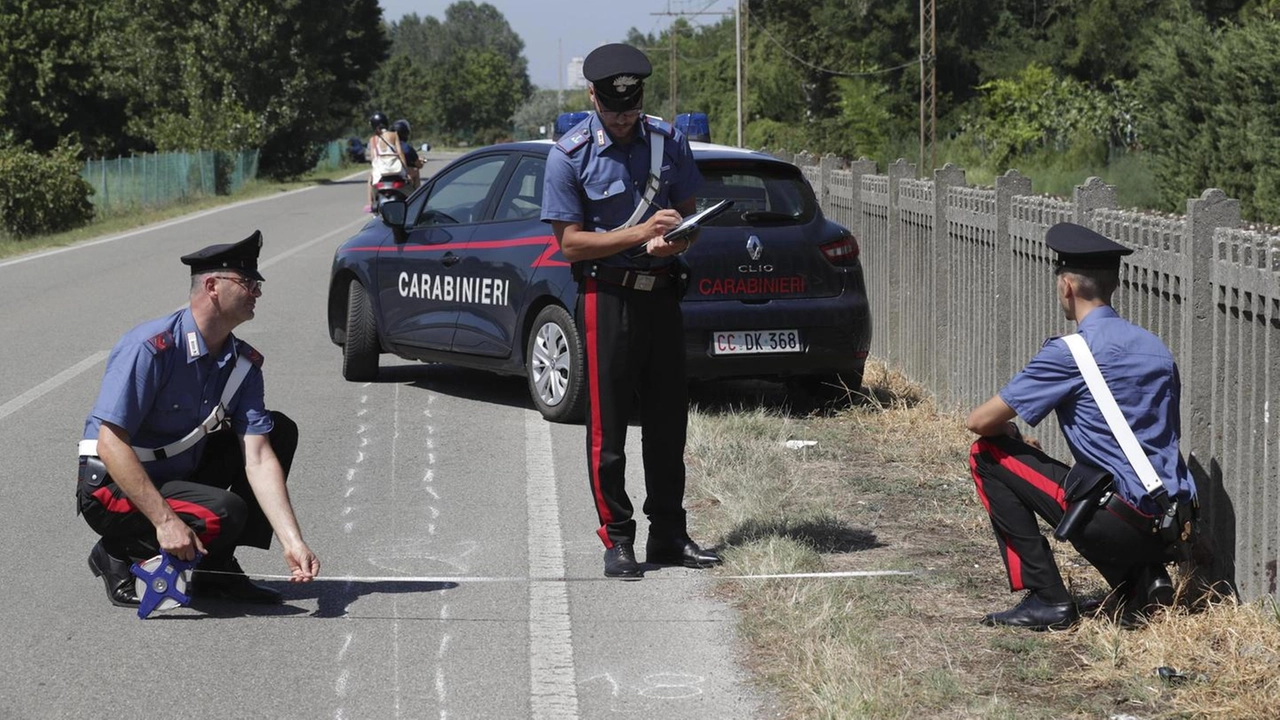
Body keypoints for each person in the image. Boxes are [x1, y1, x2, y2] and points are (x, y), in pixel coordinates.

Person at [540, 43, 720, 579]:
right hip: (606, 297)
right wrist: (639, 233)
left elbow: (689, 218)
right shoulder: (568, 155)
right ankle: (617, 538)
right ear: (592, 96)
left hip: (662, 294)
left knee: (668, 423)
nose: (623, 117)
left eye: (631, 106)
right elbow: (570, 245)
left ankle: (668, 532)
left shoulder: (669, 141)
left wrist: (676, 244)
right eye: (613, 107)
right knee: (609, 426)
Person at [965, 222, 1198, 630]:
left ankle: (1046, 597)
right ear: (1114, 284)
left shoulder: (1071, 352)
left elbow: (980, 422)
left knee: (986, 455)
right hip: (1170, 525)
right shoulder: (1155, 348)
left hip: (1118, 520)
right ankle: (1142, 578)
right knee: (1097, 480)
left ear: (1067, 287)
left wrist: (1012, 436)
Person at [78, 231, 320, 608]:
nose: (257, 292)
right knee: (226, 511)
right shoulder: (152, 348)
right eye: (248, 283)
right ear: (212, 286)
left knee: (279, 431)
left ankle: (216, 568)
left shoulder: (243, 365)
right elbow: (111, 443)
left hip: (175, 476)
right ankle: (116, 549)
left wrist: (293, 541)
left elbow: (256, 458)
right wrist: (165, 521)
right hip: (113, 486)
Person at [365, 111, 409, 212]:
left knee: (370, 180)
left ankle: (371, 205)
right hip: (396, 169)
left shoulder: (373, 140)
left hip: (380, 173)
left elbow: (373, 159)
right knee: (409, 186)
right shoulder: (394, 135)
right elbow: (400, 153)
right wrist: (406, 171)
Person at [392, 118, 425, 189]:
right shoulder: (407, 148)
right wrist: (422, 161)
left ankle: (371, 199)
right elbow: (418, 165)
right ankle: (417, 194)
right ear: (405, 133)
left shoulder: (389, 146)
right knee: (416, 171)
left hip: (387, 173)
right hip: (400, 172)